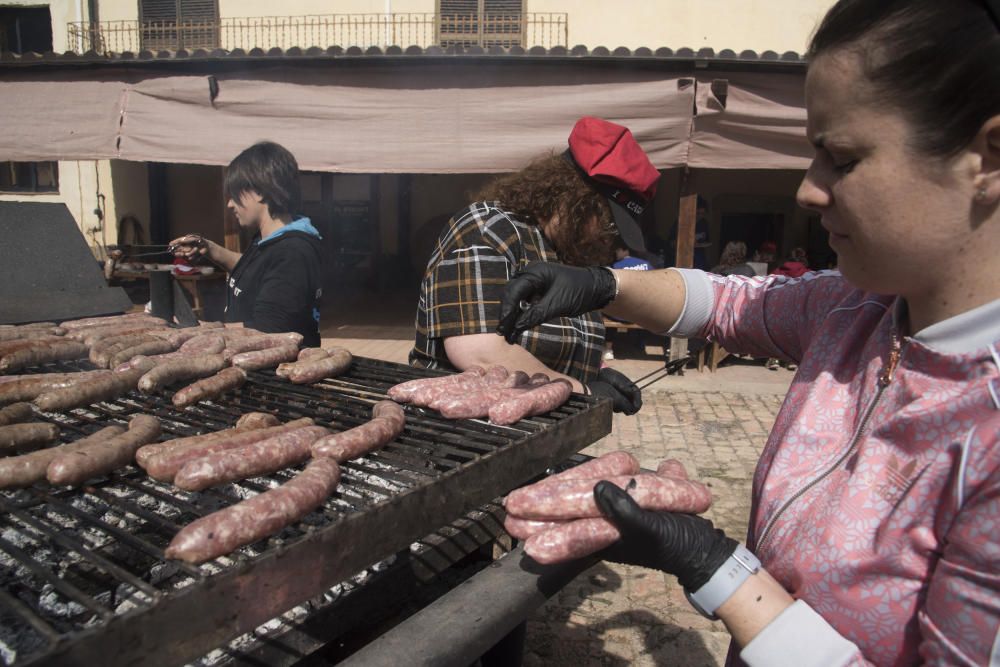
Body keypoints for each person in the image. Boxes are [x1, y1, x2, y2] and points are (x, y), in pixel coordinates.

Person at [496, 0, 1000, 664]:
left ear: (988, 156)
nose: (807, 191)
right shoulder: (861, 308)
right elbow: (732, 304)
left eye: (841, 159)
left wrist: (716, 567)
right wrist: (604, 285)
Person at [410, 117, 656, 414]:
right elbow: (480, 351)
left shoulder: (570, 251)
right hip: (458, 431)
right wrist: (584, 390)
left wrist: (596, 371)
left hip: (537, 437)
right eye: (608, 222)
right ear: (576, 199)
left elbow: (559, 344)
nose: (610, 237)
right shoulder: (488, 230)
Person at [170, 142, 323, 347]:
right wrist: (210, 249)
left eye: (234, 195)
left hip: (279, 369)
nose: (230, 204)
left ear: (259, 191)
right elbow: (257, 271)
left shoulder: (293, 252)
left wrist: (199, 329)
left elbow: (268, 329)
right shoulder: (269, 239)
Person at [603, 240, 654, 360]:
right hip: (642, 313)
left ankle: (609, 348)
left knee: (609, 309)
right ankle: (641, 342)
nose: (615, 253)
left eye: (617, 250)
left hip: (622, 314)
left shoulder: (616, 267)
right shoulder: (647, 264)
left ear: (625, 250)